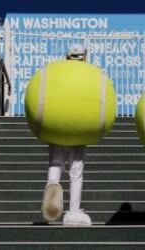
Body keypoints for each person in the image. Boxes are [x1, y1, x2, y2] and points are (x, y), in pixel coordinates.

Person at [41, 43, 92, 226]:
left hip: (58, 124)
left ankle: (52, 183)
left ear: (67, 56)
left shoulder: (57, 72)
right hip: (79, 126)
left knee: (56, 162)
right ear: (83, 57)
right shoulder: (89, 75)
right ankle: (73, 212)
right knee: (76, 169)